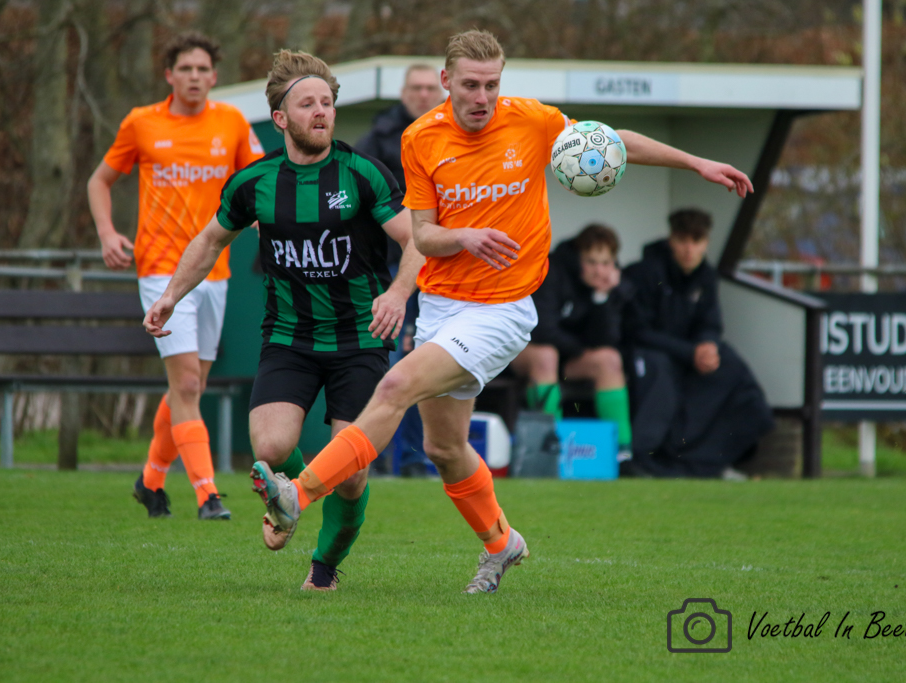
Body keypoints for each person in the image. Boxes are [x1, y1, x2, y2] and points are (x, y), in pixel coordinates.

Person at [249, 29, 753, 594]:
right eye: (471, 85)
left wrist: (696, 163)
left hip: (503, 309)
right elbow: (423, 236)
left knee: (394, 387)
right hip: (441, 305)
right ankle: (501, 543)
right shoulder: (420, 138)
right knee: (444, 448)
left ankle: (299, 493)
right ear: (446, 82)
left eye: (492, 84)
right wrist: (464, 236)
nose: (482, 96)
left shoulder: (532, 121)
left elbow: (614, 141)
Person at [143, 50, 423, 590]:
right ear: (280, 118)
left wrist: (397, 292)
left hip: (360, 338)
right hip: (289, 337)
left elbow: (416, 240)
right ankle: (290, 497)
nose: (321, 112)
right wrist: (171, 295)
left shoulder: (363, 173)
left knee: (352, 474)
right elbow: (209, 241)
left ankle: (323, 567)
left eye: (327, 103)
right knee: (269, 450)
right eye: (307, 104)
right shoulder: (256, 182)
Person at [88, 31, 265, 520]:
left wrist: (262, 216)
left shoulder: (231, 121)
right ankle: (207, 494)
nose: (194, 77)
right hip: (161, 268)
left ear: (214, 76)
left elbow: (258, 179)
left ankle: (150, 482)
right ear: (169, 75)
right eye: (185, 68)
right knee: (186, 383)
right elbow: (100, 180)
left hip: (215, 269)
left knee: (190, 386)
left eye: (202, 69)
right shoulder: (141, 122)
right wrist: (107, 232)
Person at [622, 208, 774, 479]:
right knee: (660, 372)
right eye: (683, 240)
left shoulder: (706, 276)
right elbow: (638, 331)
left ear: (706, 242)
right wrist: (691, 352)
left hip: (689, 355)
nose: (689, 249)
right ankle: (647, 458)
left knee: (731, 367)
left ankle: (715, 460)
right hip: (649, 353)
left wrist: (707, 345)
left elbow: (711, 323)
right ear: (671, 240)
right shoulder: (645, 272)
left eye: (697, 241)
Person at [354, 64, 444, 477]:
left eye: (429, 88)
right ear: (404, 92)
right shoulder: (377, 139)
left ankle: (413, 458)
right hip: (390, 266)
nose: (423, 94)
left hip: (444, 265)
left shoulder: (454, 132)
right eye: (416, 87)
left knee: (426, 359)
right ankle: (369, 455)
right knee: (385, 360)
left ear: (440, 91)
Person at [510, 223, 634, 458]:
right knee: (547, 355)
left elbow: (606, 341)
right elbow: (541, 330)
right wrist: (579, 348)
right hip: (524, 352)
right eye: (591, 262)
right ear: (578, 258)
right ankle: (548, 447)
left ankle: (621, 453)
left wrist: (602, 298)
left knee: (609, 359)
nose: (599, 270)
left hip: (568, 357)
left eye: (605, 263)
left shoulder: (608, 286)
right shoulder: (551, 269)